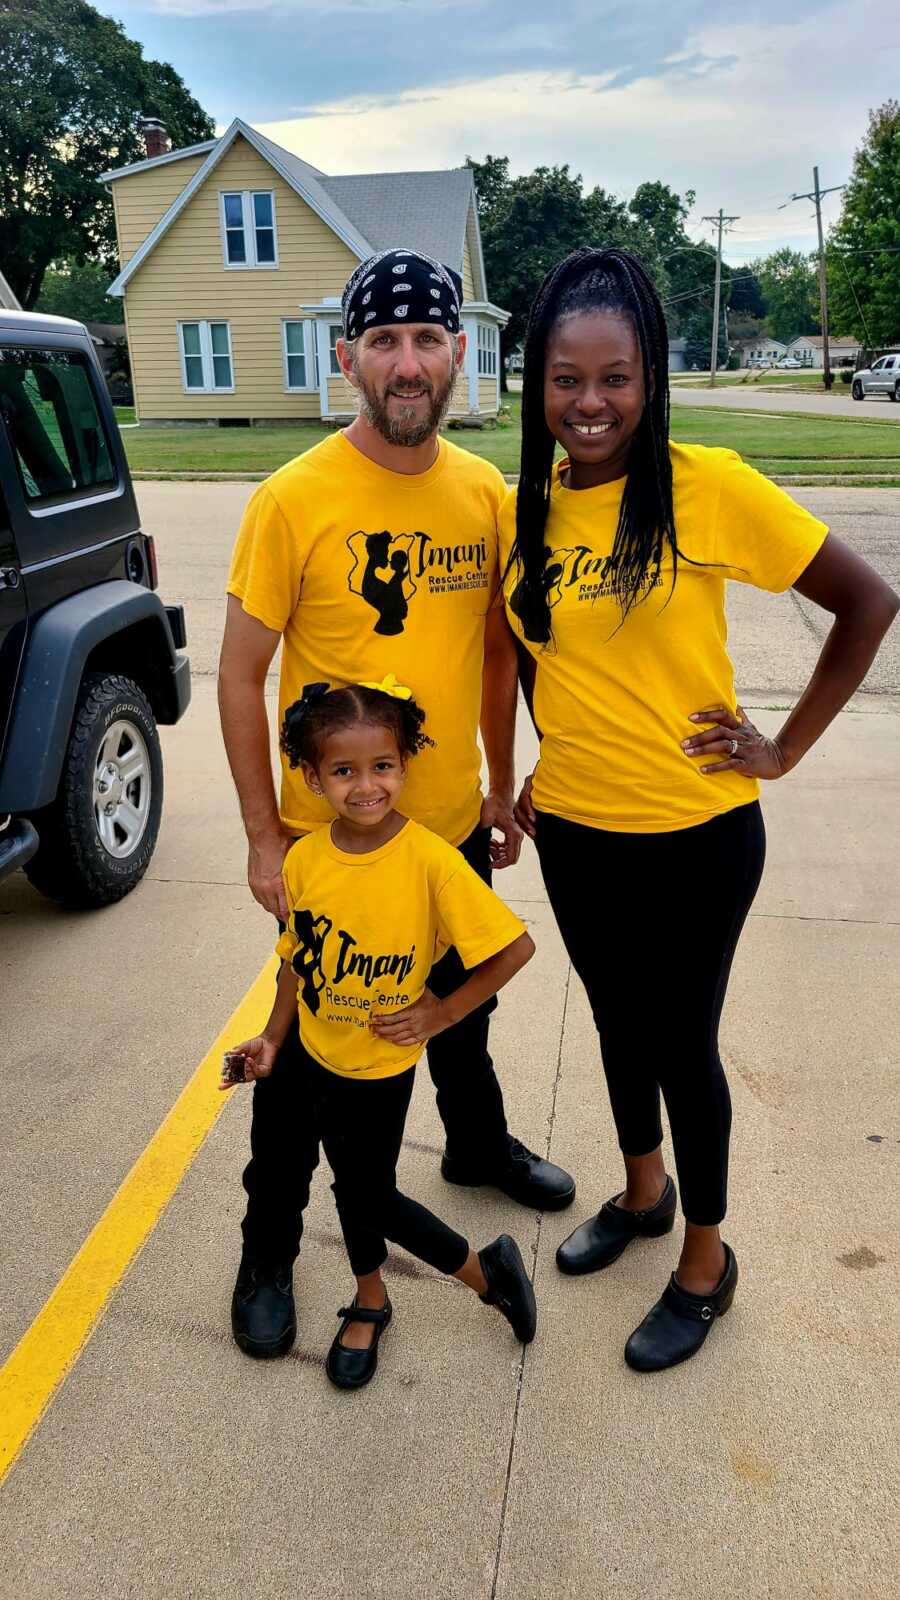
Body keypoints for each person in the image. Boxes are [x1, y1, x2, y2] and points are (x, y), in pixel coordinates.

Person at [501, 246, 898, 1373]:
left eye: (615, 378)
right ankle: (644, 1194)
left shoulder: (705, 484)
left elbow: (869, 603)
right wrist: (547, 756)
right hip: (576, 829)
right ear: (539, 382)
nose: (590, 404)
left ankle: (709, 1263)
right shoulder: (530, 507)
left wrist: (781, 748)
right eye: (567, 379)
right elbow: (542, 655)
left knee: (682, 1043)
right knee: (618, 1024)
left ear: (651, 377)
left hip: (695, 836)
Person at [219, 246, 574, 1360]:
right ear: (348, 357)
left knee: (460, 1008)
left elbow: (496, 660)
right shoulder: (294, 497)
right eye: (384, 341)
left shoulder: (485, 495)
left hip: (450, 822)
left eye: (427, 339)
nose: (407, 362)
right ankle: (269, 1244)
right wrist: (262, 831)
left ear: (460, 353)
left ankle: (479, 1148)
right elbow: (237, 673)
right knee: (308, 1066)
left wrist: (501, 786)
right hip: (334, 838)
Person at [221, 679, 537, 1390]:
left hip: (381, 1068)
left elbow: (512, 949)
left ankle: (488, 1274)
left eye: (383, 767)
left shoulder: (429, 860)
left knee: (370, 1196)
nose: (367, 786)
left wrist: (443, 1013)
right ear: (312, 777)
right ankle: (370, 1298)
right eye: (344, 771)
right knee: (351, 1187)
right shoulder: (304, 860)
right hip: (315, 1054)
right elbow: (296, 964)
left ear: (405, 764)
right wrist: (273, 1039)